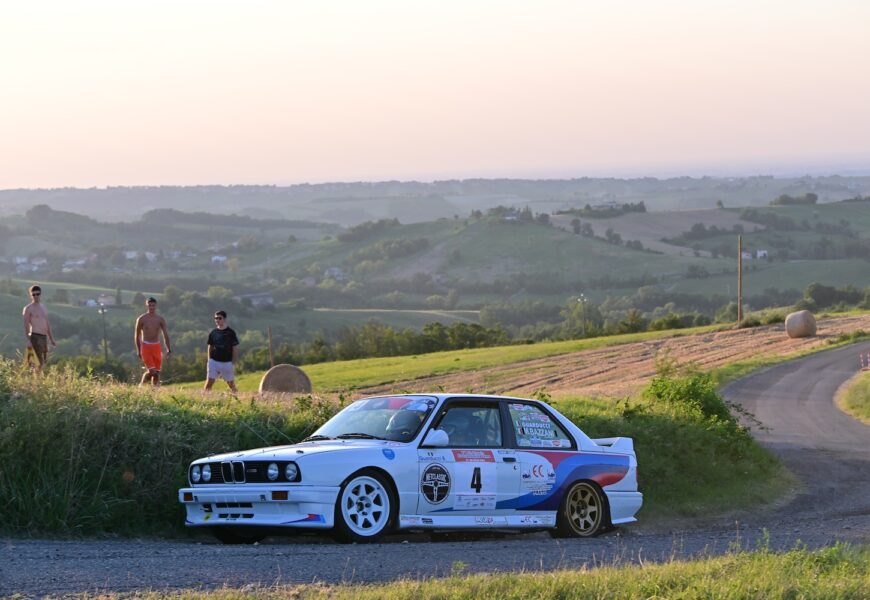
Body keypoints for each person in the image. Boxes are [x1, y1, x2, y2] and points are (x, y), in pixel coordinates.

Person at [134, 297, 171, 386]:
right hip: (146, 346)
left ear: (156, 306)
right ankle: (141, 387)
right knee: (152, 371)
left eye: (153, 305)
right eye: (149, 305)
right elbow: (137, 335)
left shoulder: (160, 319)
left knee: (157, 373)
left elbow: (165, 335)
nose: (151, 307)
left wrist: (168, 349)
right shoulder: (142, 319)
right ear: (147, 306)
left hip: (156, 347)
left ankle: (154, 392)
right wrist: (139, 350)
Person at [22, 285, 57, 373]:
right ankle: (35, 382)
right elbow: (26, 325)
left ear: (40, 294)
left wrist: (51, 339)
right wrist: (28, 340)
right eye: (34, 295)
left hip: (44, 337)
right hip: (35, 337)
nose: (36, 296)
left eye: (37, 294)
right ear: (31, 295)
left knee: (43, 361)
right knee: (37, 362)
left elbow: (47, 324)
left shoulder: (43, 307)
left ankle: (36, 380)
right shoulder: (28, 309)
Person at [204, 310, 239, 392]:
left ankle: (237, 397)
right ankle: (204, 398)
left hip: (227, 362)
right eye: (216, 318)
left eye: (220, 318)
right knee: (209, 381)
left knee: (230, 383)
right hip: (214, 361)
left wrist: (233, 362)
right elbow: (210, 347)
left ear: (224, 319)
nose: (217, 320)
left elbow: (234, 348)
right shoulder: (213, 333)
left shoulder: (231, 333)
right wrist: (209, 360)